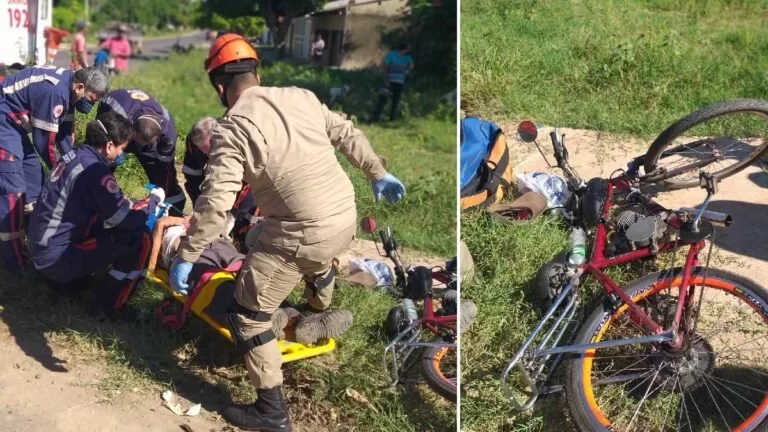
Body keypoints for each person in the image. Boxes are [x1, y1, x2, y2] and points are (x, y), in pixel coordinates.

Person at [168, 33, 406, 430]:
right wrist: (377, 173)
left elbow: (215, 205)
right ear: (257, 73)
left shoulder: (232, 128)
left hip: (303, 233)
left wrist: (187, 255)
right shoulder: (301, 96)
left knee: (246, 314)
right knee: (293, 248)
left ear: (219, 86)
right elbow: (346, 132)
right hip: (344, 217)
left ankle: (271, 412)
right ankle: (314, 311)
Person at [27, 111, 165, 320]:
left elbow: (103, 204)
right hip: (56, 258)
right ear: (109, 145)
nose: (121, 154)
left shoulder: (75, 155)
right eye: (122, 148)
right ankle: (109, 308)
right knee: (136, 238)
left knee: (102, 223)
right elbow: (126, 220)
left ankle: (71, 282)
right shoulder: (94, 171)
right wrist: (151, 203)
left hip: (41, 247)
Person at [157, 221, 353, 344]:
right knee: (244, 277)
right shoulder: (162, 222)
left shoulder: (155, 221)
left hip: (194, 246)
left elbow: (156, 236)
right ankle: (293, 317)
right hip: (204, 242)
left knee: (217, 284)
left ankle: (271, 319)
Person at [0, 66, 109, 271]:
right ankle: (14, 260)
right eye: (91, 99)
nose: (91, 105)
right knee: (12, 188)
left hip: (14, 126)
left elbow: (64, 135)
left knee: (34, 176)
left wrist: (75, 163)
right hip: (3, 120)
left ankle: (32, 237)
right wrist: (64, 170)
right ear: (80, 87)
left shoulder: (69, 92)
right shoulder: (55, 92)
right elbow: (45, 142)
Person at [96, 88, 186, 215]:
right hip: (113, 116)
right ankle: (101, 200)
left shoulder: (168, 131)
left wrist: (160, 191)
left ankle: (171, 209)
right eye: (137, 142)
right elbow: (102, 139)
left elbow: (165, 168)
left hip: (141, 129)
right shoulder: (119, 116)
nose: (139, 147)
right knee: (104, 163)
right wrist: (113, 155)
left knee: (163, 175)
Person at [183, 116, 259, 249]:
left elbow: (246, 184)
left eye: (208, 149)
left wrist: (232, 214)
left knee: (241, 219)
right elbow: (192, 178)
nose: (205, 153)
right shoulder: (194, 142)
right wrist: (200, 209)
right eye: (202, 149)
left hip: (247, 182)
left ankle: (241, 237)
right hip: (219, 170)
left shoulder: (237, 143)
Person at [371, 43, 414, 122]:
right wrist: (386, 79)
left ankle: (392, 119)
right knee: (383, 99)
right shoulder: (391, 55)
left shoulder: (408, 57)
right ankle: (375, 118)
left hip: (400, 81)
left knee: (396, 101)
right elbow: (385, 66)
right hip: (390, 80)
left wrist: (407, 70)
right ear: (404, 49)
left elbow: (411, 66)